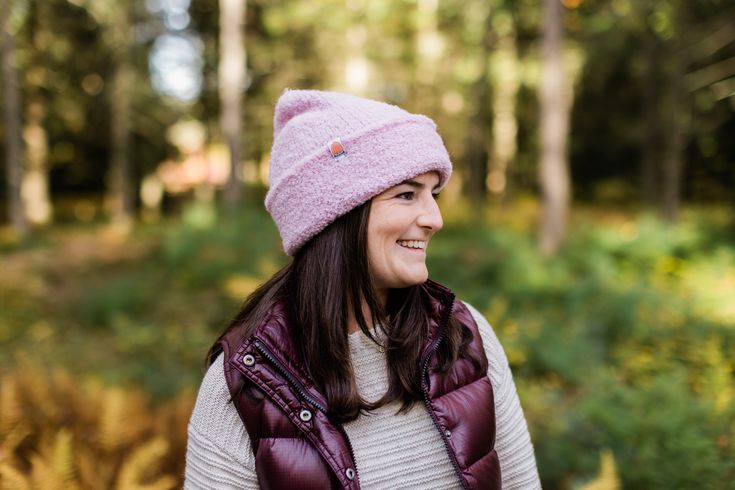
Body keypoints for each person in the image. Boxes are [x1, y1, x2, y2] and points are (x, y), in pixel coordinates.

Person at [185, 90, 540, 489]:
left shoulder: (463, 338)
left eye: (432, 194)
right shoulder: (245, 385)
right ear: (335, 219)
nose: (434, 218)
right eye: (407, 195)